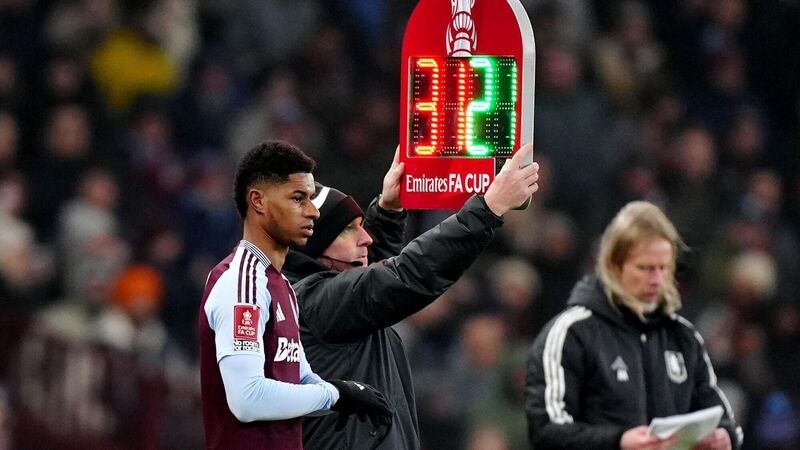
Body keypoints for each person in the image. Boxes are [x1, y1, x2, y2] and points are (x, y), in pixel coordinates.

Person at [284, 144, 540, 449]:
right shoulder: (316, 302)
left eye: (362, 226)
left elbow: (370, 280)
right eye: (348, 230)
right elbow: (405, 275)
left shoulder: (317, 298)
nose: (366, 238)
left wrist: (388, 212)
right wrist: (488, 209)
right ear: (313, 243)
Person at [198, 141, 393, 449]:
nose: (313, 212)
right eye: (298, 198)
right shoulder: (241, 282)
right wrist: (336, 394)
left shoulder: (281, 285)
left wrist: (349, 394)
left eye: (310, 199)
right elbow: (247, 399)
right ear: (258, 201)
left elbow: (301, 378)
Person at [524, 201, 744, 450]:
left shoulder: (683, 337)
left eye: (664, 268)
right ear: (613, 266)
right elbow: (545, 430)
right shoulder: (572, 333)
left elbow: (721, 418)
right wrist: (618, 441)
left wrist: (725, 436)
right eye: (645, 268)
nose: (657, 280)